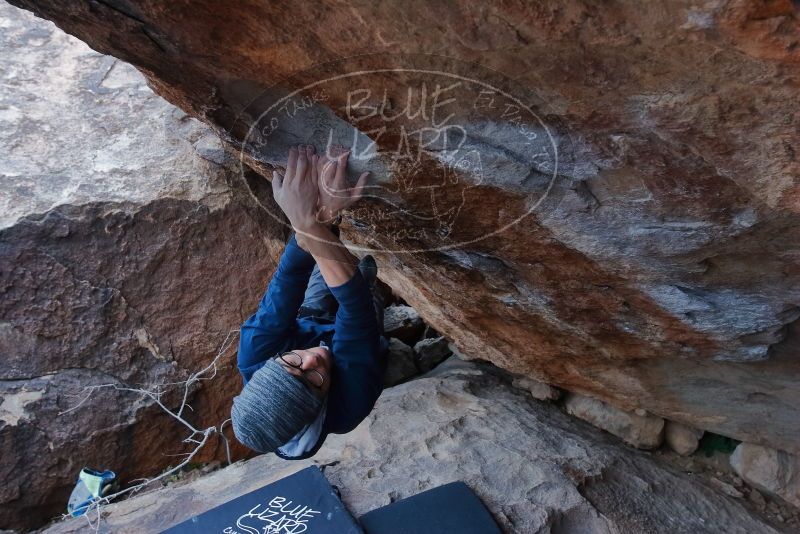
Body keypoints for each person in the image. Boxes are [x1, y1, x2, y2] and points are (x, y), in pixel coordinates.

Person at [231, 144, 387, 460]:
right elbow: (354, 311)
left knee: (320, 276)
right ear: (320, 403)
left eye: (292, 364)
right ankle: (370, 284)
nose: (312, 361)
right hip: (355, 348)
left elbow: (289, 278)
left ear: (270, 363)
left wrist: (321, 218)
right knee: (364, 298)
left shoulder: (254, 355)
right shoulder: (349, 405)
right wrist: (306, 220)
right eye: (314, 381)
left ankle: (351, 270)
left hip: (309, 317)